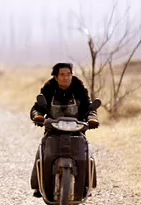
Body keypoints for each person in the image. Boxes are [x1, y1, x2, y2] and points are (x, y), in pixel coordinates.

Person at [29, 62, 98, 197]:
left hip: (76, 130)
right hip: (53, 130)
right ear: (55, 77)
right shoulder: (49, 89)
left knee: (87, 154)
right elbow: (37, 108)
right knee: (42, 151)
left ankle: (86, 184)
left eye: (68, 74)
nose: (66, 77)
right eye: (62, 75)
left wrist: (92, 119)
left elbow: (89, 108)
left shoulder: (79, 89)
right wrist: (37, 116)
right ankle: (38, 186)